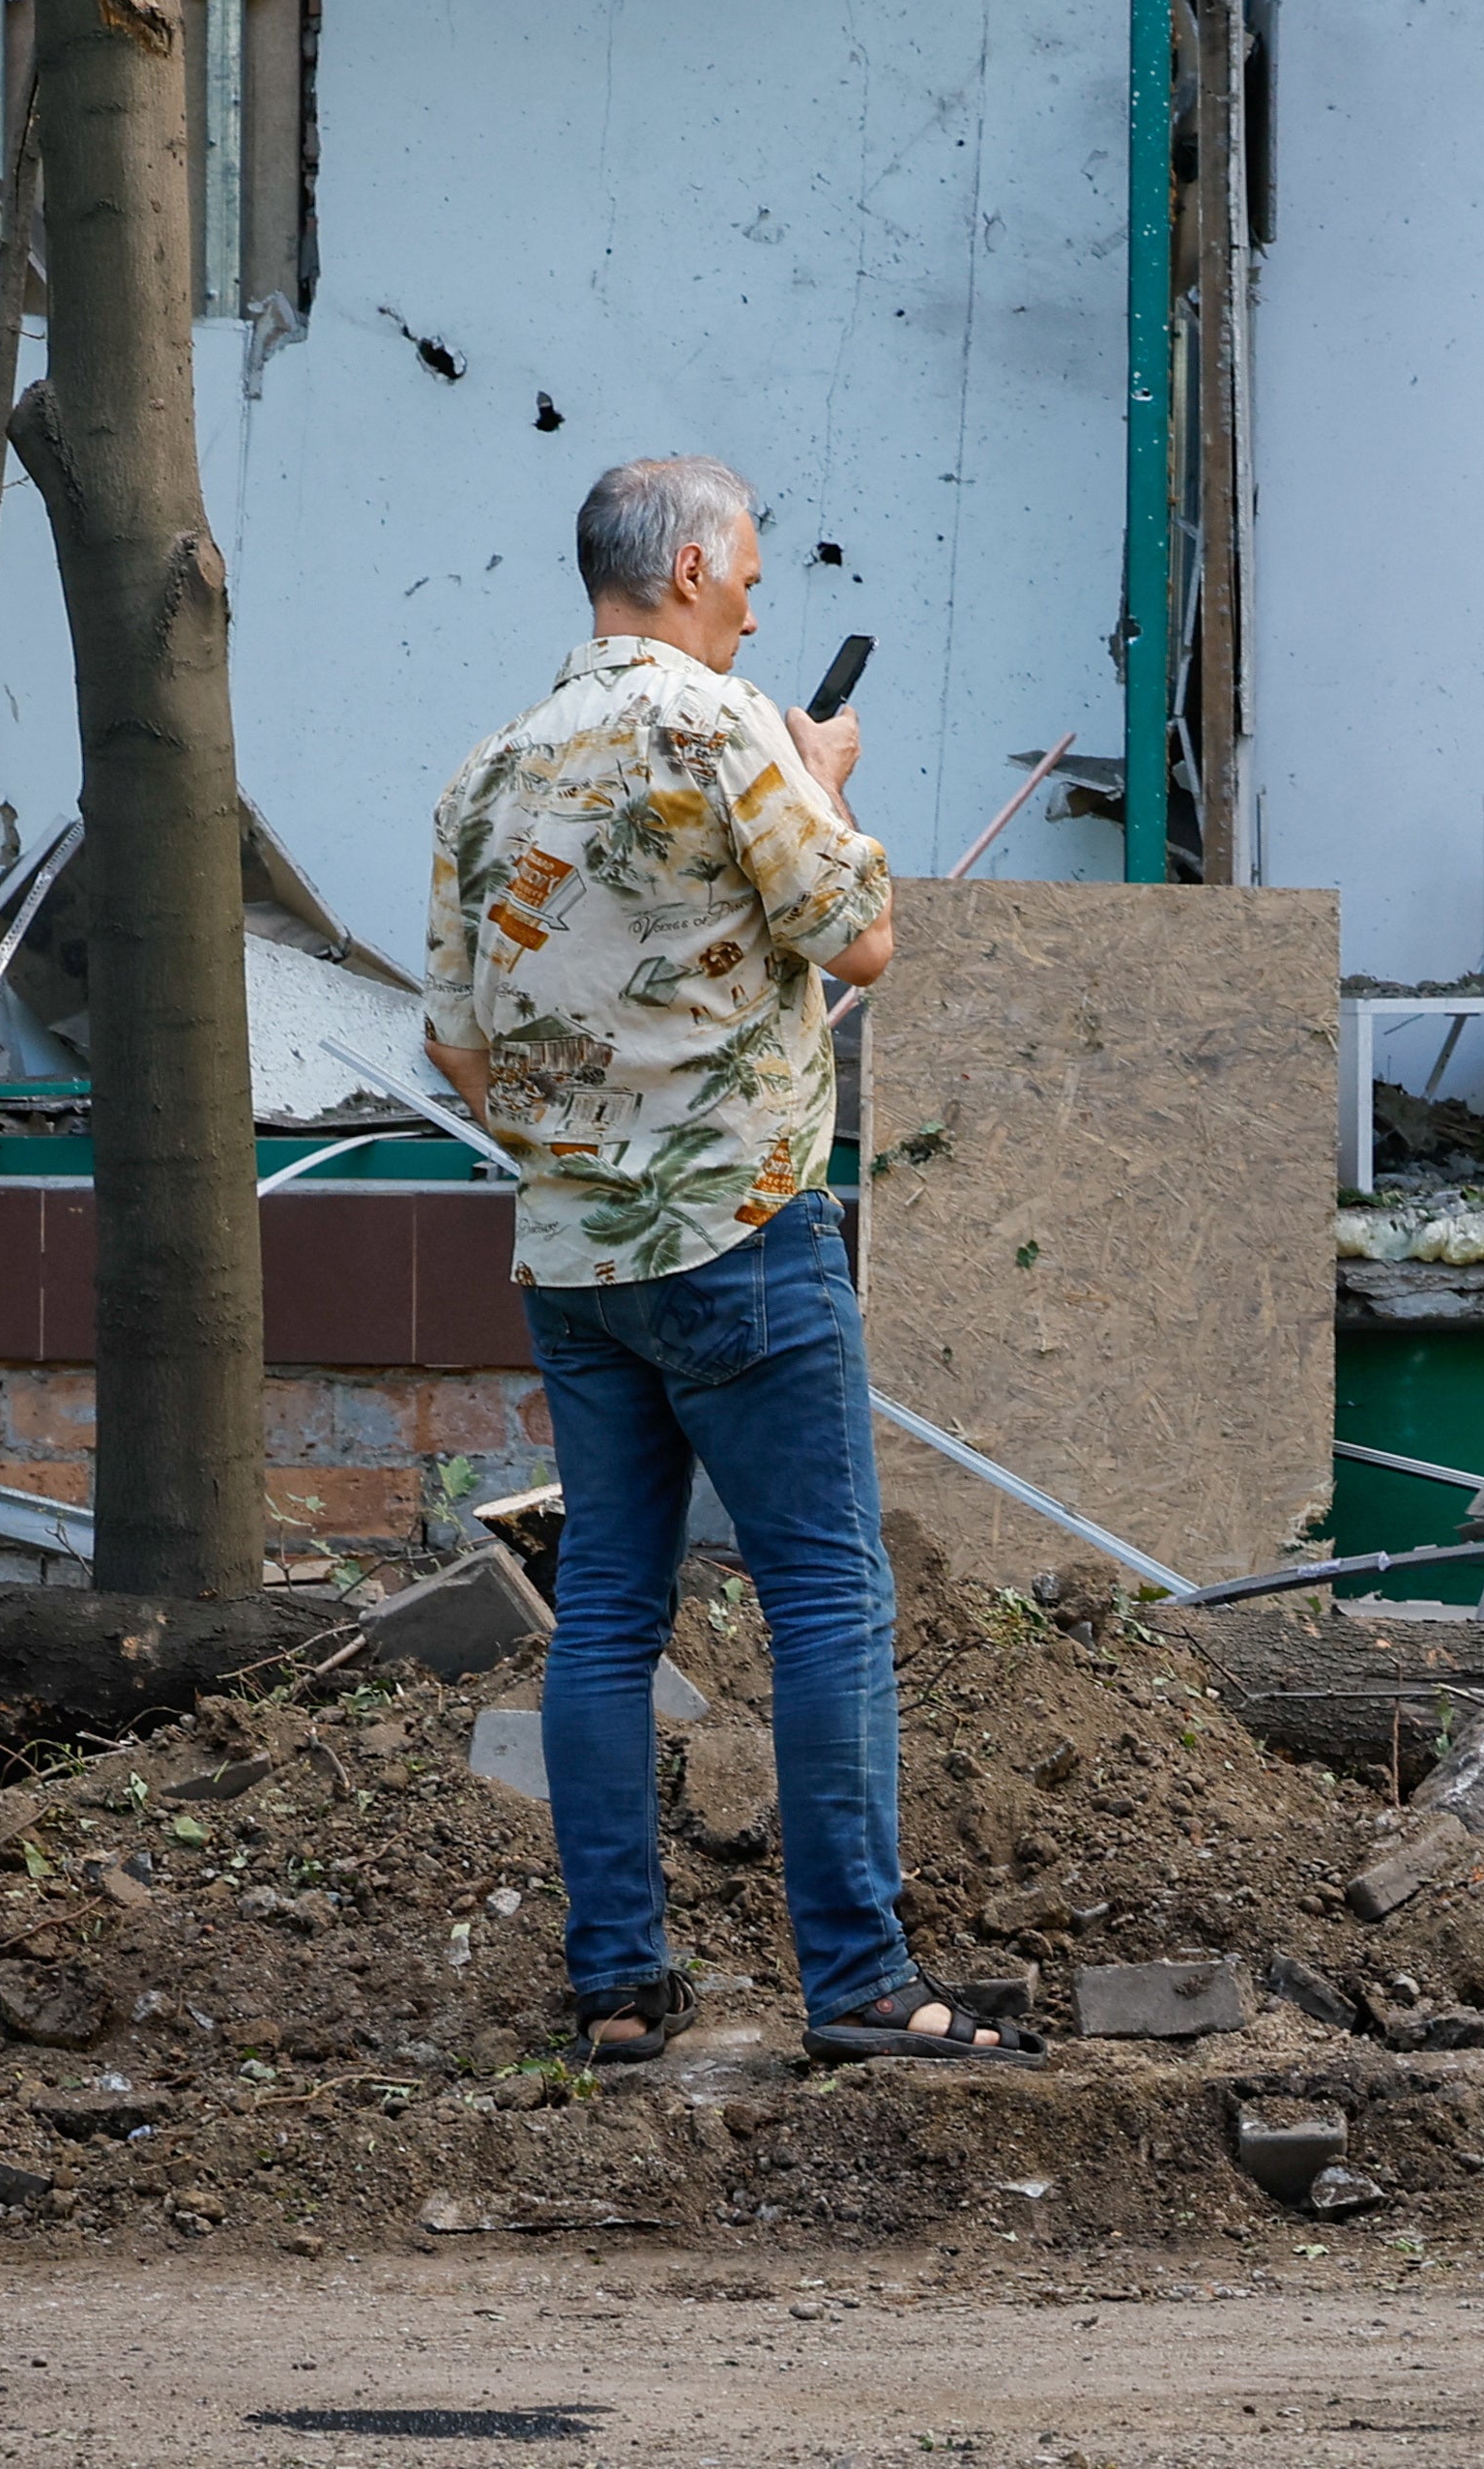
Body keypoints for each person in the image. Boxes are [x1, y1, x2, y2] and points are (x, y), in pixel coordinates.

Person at [423, 454, 1034, 2071]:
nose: (759, 600)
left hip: (573, 1255)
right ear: (689, 568)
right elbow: (859, 938)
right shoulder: (727, 726)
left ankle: (617, 1987)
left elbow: (453, 1042)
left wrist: (583, 1149)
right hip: (744, 1233)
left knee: (609, 1608)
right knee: (824, 1587)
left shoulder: (489, 770)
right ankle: (862, 1982)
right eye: (748, 573)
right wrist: (818, 776)